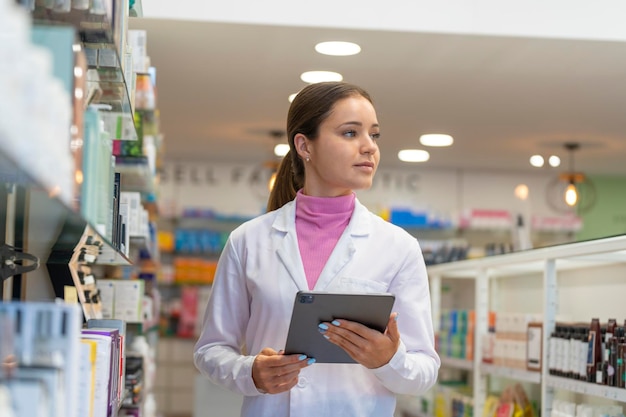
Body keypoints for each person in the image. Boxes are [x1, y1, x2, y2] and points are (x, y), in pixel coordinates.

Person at [194, 81, 440, 417]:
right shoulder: (248, 241)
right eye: (351, 133)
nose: (369, 147)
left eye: (374, 134)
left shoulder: (398, 248)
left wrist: (388, 360)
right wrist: (251, 373)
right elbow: (211, 350)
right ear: (304, 145)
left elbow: (424, 370)